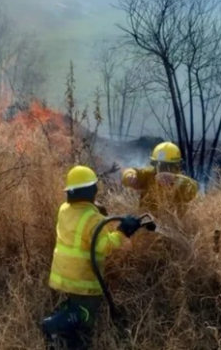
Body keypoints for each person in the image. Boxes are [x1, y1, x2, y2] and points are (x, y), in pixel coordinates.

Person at [41, 165, 143, 350]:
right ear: (91, 191)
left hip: (63, 276)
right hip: (83, 280)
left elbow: (80, 218)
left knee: (75, 310)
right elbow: (104, 246)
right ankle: (54, 324)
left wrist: (96, 210)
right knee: (86, 314)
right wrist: (123, 231)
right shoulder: (92, 219)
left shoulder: (64, 209)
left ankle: (66, 338)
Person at [121, 141, 199, 218]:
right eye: (157, 164)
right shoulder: (150, 175)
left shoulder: (181, 182)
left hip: (170, 226)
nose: (161, 169)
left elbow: (193, 188)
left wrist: (174, 179)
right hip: (146, 221)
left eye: (166, 166)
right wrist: (129, 175)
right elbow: (135, 172)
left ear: (175, 166)